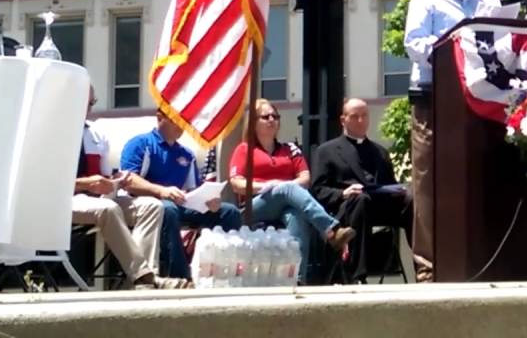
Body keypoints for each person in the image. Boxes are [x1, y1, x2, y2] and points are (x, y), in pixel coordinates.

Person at [403, 0, 500, 281]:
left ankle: (478, 258)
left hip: (476, 104)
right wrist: (456, 46)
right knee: (429, 182)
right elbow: (414, 44)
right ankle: (428, 269)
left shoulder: (489, 2)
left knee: (478, 177)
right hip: (434, 101)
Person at [228, 99, 355, 283]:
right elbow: (236, 183)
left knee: (296, 215)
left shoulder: (290, 149)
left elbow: (305, 178)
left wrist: (282, 187)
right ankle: (331, 230)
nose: (272, 120)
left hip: (286, 203)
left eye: (275, 116)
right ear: (253, 122)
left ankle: (296, 278)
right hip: (253, 207)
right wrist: (266, 186)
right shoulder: (244, 149)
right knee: (286, 188)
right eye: (266, 117)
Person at [72, 89, 184, 288]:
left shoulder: (96, 134)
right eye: (84, 102)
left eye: (92, 102)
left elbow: (106, 176)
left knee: (151, 206)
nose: (89, 108)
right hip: (66, 201)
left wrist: (117, 180)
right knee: (108, 209)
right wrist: (85, 183)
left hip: (96, 199)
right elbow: (45, 183)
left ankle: (145, 278)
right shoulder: (52, 135)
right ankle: (144, 277)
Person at [120, 110, 242, 280]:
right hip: (147, 204)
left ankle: (230, 270)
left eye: (186, 119)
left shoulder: (186, 154)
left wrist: (209, 200)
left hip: (181, 204)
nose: (182, 124)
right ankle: (179, 276)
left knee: (229, 212)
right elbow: (128, 180)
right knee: (168, 209)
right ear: (160, 118)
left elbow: (194, 188)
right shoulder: (141, 144)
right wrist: (161, 191)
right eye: (177, 119)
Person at [311, 98, 413, 284]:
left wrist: (401, 191)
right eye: (355, 116)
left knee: (411, 198)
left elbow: (390, 184)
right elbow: (318, 190)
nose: (360, 121)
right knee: (360, 199)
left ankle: (424, 268)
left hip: (379, 205)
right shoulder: (326, 151)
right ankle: (357, 275)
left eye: (364, 116)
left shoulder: (380, 152)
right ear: (343, 120)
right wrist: (343, 193)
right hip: (348, 207)